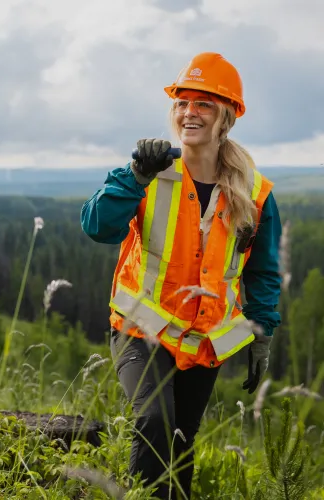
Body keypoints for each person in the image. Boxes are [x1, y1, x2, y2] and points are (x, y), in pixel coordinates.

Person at [80, 52, 282, 498]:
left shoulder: (256, 192)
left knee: (180, 445)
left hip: (206, 340)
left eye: (204, 103)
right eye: (182, 102)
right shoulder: (149, 171)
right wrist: (133, 176)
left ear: (227, 116)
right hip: (140, 329)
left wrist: (262, 332)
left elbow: (264, 271)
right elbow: (97, 226)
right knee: (154, 422)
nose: (189, 112)